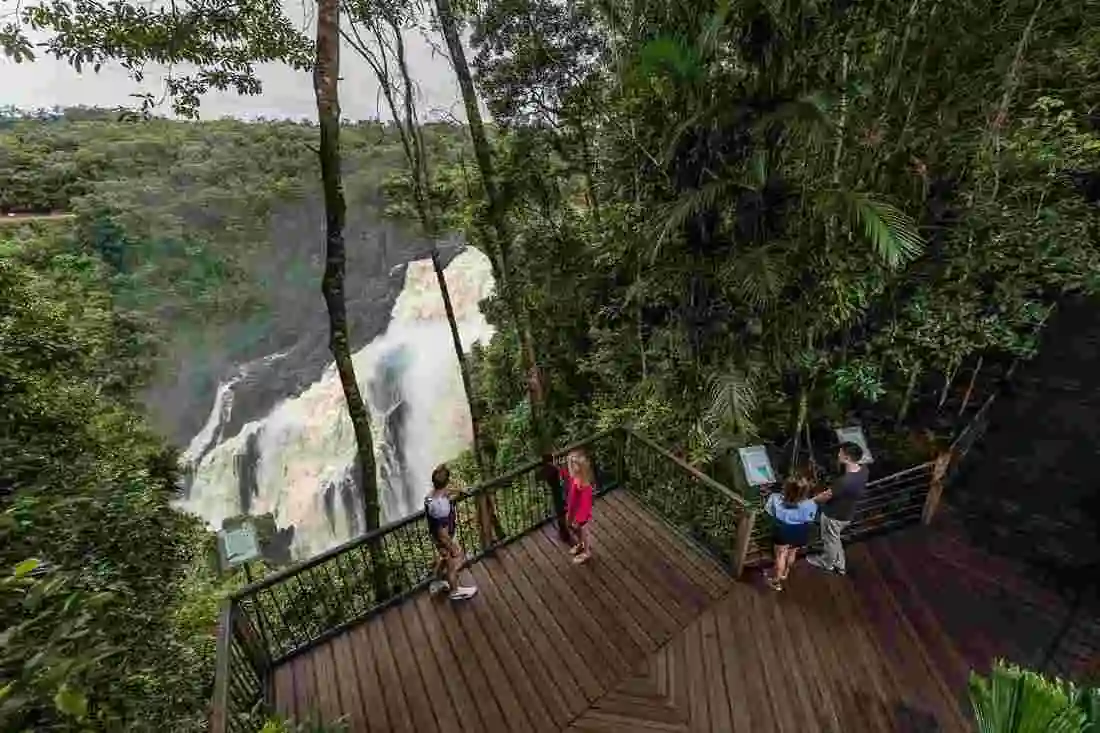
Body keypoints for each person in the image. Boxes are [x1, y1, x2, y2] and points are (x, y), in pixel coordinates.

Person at [807, 441, 869, 576]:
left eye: (841, 453)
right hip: (847, 513)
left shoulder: (844, 481)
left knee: (829, 540)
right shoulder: (864, 470)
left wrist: (809, 502)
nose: (838, 454)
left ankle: (827, 563)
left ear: (847, 458)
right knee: (834, 538)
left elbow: (827, 495)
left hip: (834, 515)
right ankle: (840, 565)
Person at [425, 464, 478, 601]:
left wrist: (461, 491)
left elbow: (446, 491)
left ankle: (435, 582)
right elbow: (441, 532)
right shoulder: (440, 507)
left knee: (444, 558)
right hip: (443, 538)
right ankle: (455, 591)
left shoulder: (430, 497)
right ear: (446, 481)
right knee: (451, 564)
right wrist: (453, 547)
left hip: (437, 537)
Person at [762, 471, 819, 591]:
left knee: (780, 555)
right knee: (792, 552)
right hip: (801, 529)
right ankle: (785, 573)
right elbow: (810, 518)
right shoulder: (811, 503)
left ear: (786, 487)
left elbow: (769, 512)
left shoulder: (775, 498)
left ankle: (776, 581)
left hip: (784, 530)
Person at [559, 450, 595, 564]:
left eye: (574, 464)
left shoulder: (584, 484)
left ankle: (587, 551)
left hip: (581, 513)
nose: (571, 467)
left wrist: (581, 518)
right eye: (571, 464)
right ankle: (580, 544)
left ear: (580, 467)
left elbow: (586, 503)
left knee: (583, 530)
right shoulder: (575, 477)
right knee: (572, 526)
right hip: (573, 508)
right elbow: (566, 475)